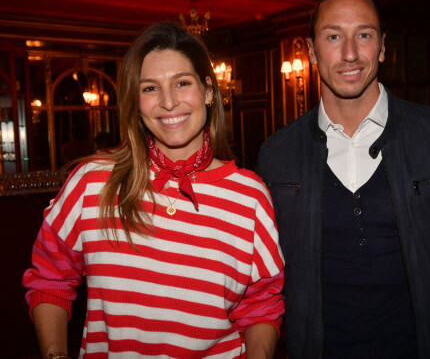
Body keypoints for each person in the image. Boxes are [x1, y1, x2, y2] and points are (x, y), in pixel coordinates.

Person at [256, 0, 430, 358]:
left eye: (364, 35)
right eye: (334, 36)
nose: (350, 53)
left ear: (382, 47)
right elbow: (272, 273)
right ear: (312, 51)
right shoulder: (277, 154)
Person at [23, 21, 284, 358]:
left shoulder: (249, 195)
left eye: (182, 83)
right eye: (150, 88)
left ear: (208, 91)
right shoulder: (91, 183)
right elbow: (49, 280)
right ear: (136, 102)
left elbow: (261, 304)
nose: (168, 102)